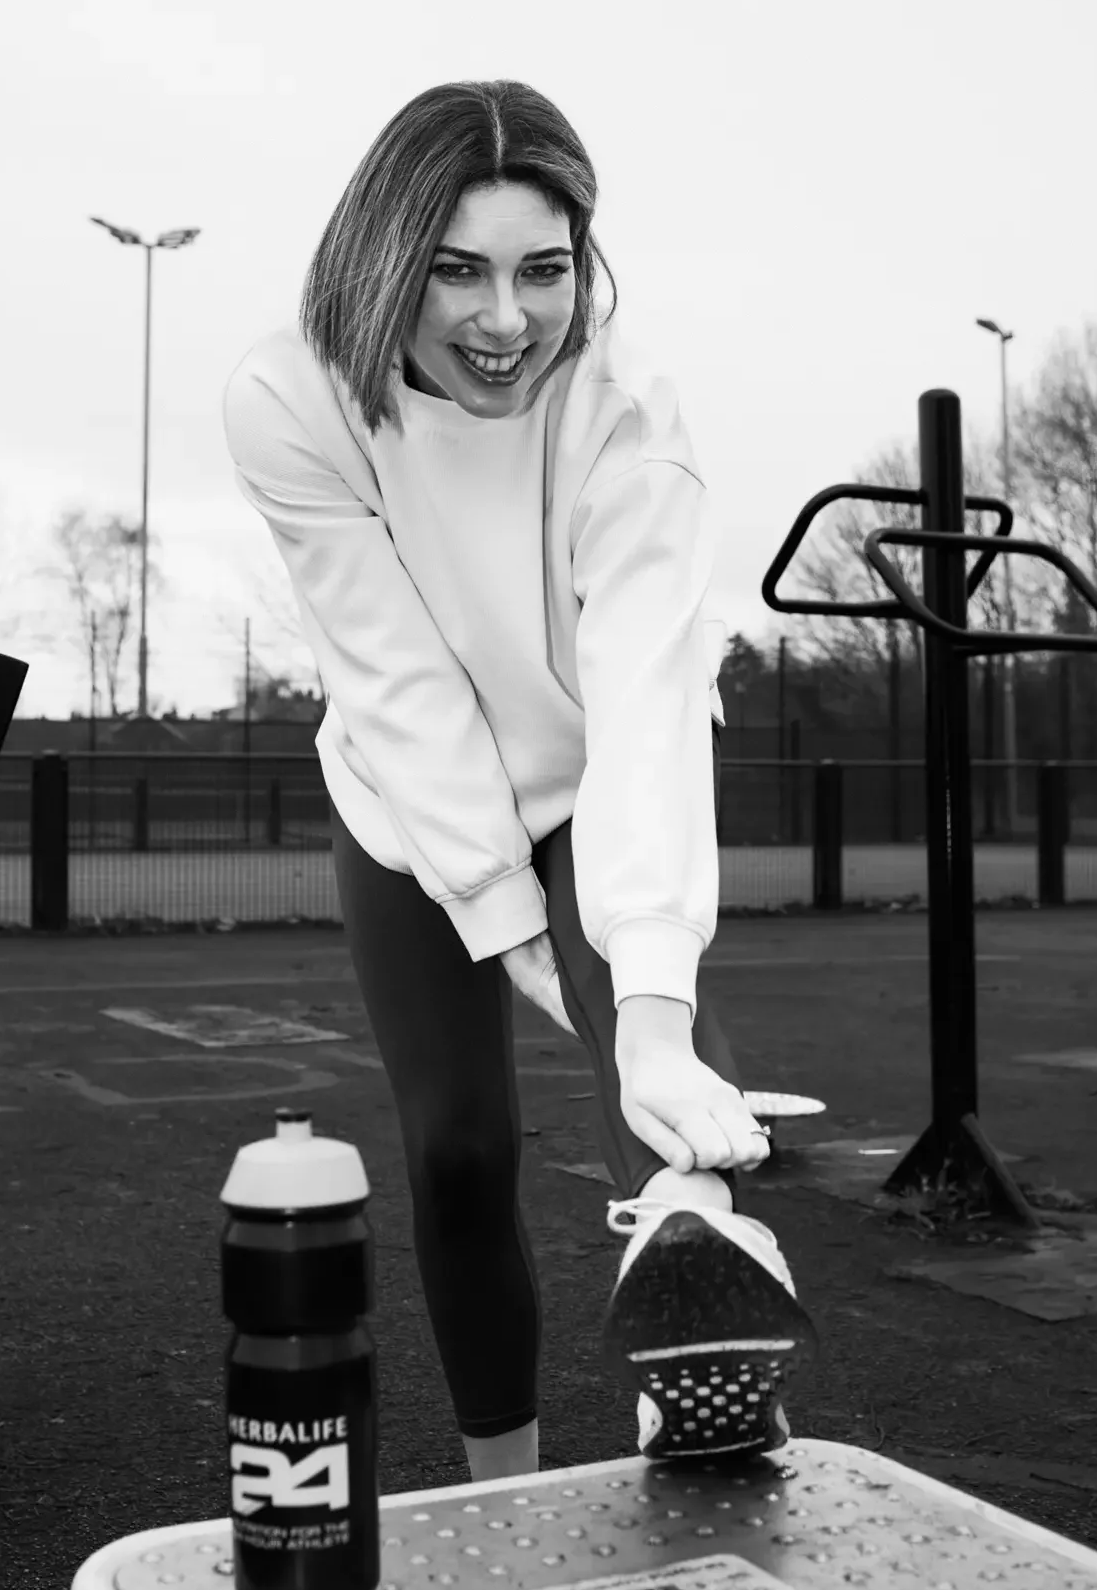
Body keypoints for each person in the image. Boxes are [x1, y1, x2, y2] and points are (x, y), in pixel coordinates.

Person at [222, 79, 817, 1483]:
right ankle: (509, 1493)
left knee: (664, 1108)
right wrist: (505, 918)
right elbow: (400, 684)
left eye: (542, 271)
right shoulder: (289, 399)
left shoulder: (626, 420)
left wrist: (647, 993)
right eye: (455, 271)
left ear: (582, 265)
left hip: (594, 769)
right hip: (404, 787)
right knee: (457, 1153)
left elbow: (645, 700)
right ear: (384, 261)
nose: (505, 320)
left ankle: (712, 1421)